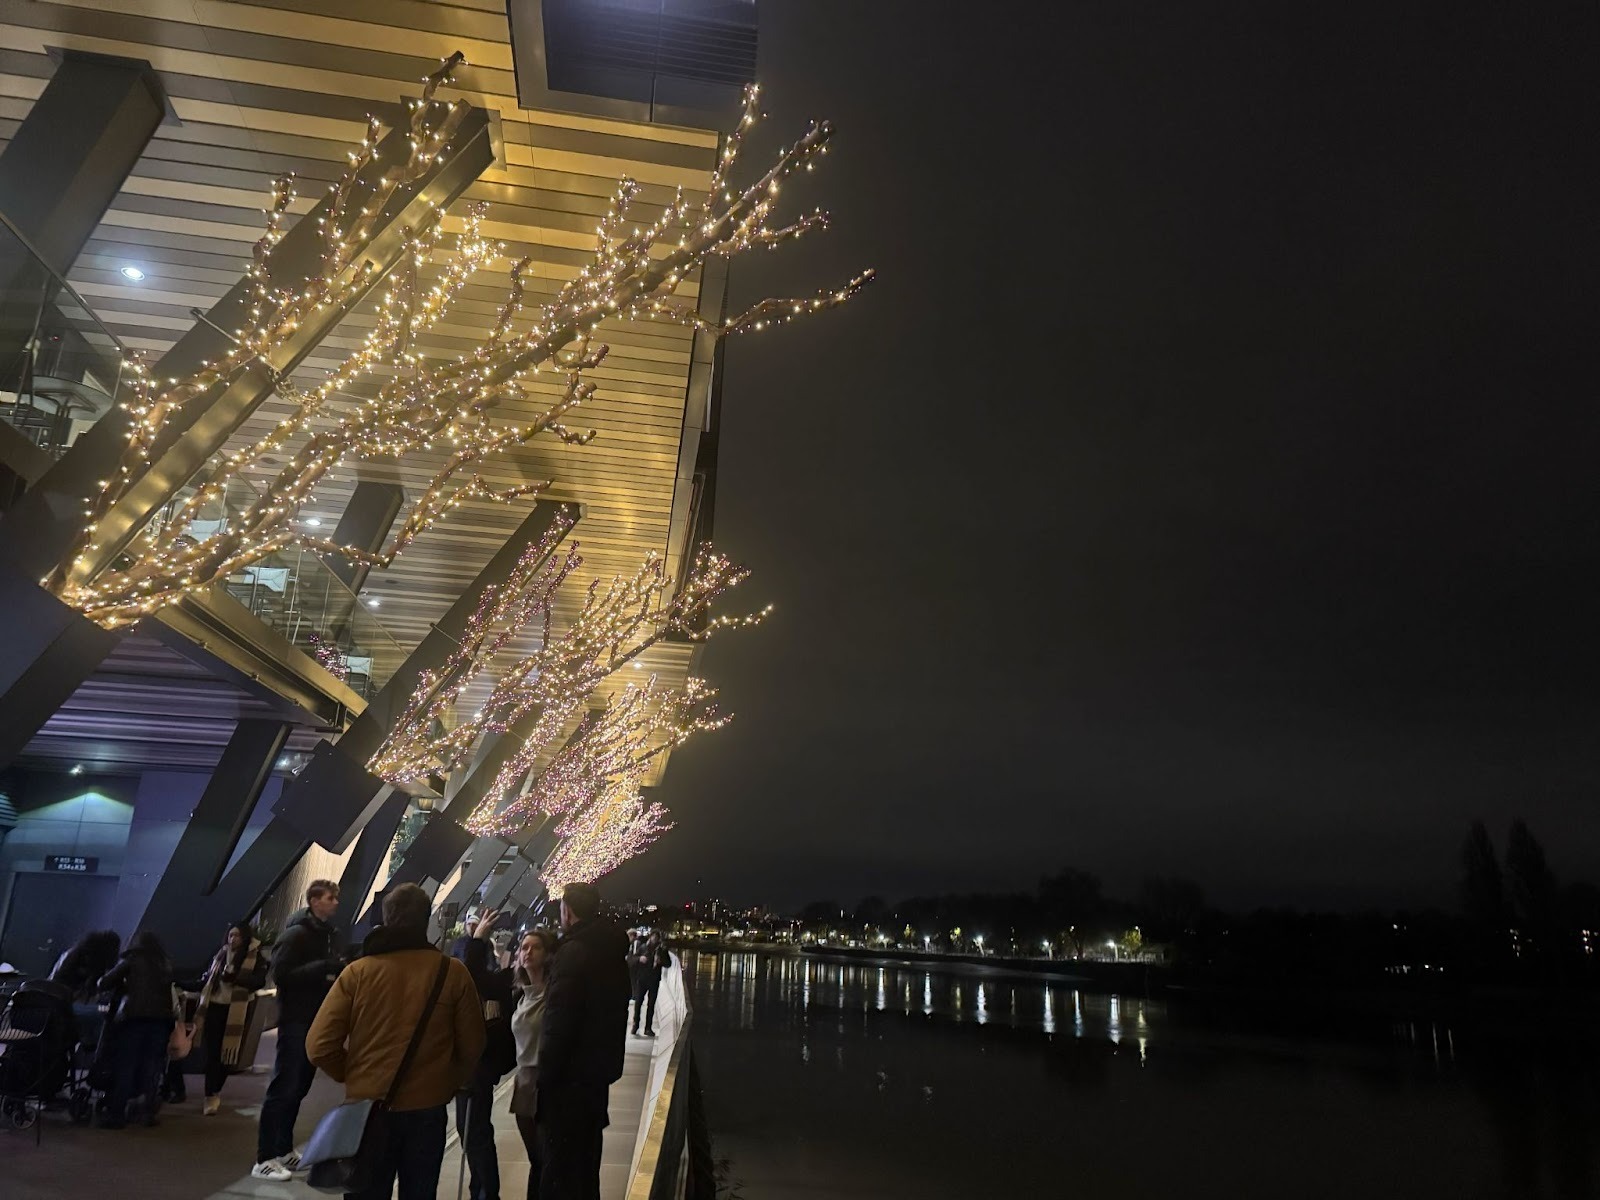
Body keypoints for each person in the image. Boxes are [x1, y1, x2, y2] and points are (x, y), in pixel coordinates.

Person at [307, 883, 485, 1200]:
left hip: (367, 1110)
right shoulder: (452, 973)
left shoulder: (357, 973)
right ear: (426, 920)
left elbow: (319, 1046)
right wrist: (444, 1083)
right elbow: (473, 1045)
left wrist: (354, 1075)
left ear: (386, 919)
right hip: (427, 1110)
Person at [536, 882, 630, 1200]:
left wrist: (544, 1076)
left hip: (568, 1081)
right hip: (597, 1077)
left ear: (567, 911)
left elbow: (559, 1022)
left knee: (559, 1171)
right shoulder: (612, 953)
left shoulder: (573, 953)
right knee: (586, 1167)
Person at [255, 879, 342, 1181]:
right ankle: (264, 1158)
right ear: (315, 901)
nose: (335, 902)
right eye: (330, 898)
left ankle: (283, 1149)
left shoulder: (325, 935)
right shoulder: (296, 935)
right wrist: (322, 967)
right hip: (296, 1020)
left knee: (298, 1086)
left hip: (313, 1019)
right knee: (284, 1086)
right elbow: (281, 974)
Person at [451, 908, 519, 1200]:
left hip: (480, 1067)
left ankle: (486, 1192)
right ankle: (480, 1189)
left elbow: (473, 975)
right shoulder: (502, 982)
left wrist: (478, 941)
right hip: (476, 1066)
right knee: (472, 1132)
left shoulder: (502, 983)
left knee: (474, 1131)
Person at [96, 931, 175, 1129]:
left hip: (133, 1019)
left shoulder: (131, 960)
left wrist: (123, 988)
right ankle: (146, 1113)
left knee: (126, 1066)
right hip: (160, 1021)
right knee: (151, 1067)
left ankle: (116, 1114)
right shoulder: (164, 963)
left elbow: (103, 983)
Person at [196, 921, 269, 1115]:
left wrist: (235, 978)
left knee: (227, 1057)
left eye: (237, 935)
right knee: (212, 1054)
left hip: (236, 1010)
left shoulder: (255, 956)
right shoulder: (220, 954)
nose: (232, 939)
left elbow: (258, 981)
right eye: (230, 935)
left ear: (244, 938)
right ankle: (210, 1095)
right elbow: (206, 978)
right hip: (215, 1007)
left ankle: (216, 1089)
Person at [510, 928, 558, 1200]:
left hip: (546, 1081)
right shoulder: (521, 995)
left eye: (535, 947)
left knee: (546, 1160)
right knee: (536, 1160)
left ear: (548, 954)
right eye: (524, 947)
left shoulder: (554, 995)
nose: (527, 952)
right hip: (524, 1083)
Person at [51, 929, 120, 1049]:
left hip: (58, 1003)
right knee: (100, 1018)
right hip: (63, 1004)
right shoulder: (86, 962)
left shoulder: (75, 956)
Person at [627, 930, 669, 1038]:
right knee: (638, 1002)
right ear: (650, 937)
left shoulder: (662, 950)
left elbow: (668, 963)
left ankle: (648, 1028)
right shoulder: (643, 947)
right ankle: (635, 1025)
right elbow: (631, 960)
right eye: (653, 936)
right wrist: (639, 959)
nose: (654, 939)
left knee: (651, 1004)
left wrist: (661, 961)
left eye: (656, 937)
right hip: (642, 979)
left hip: (654, 980)